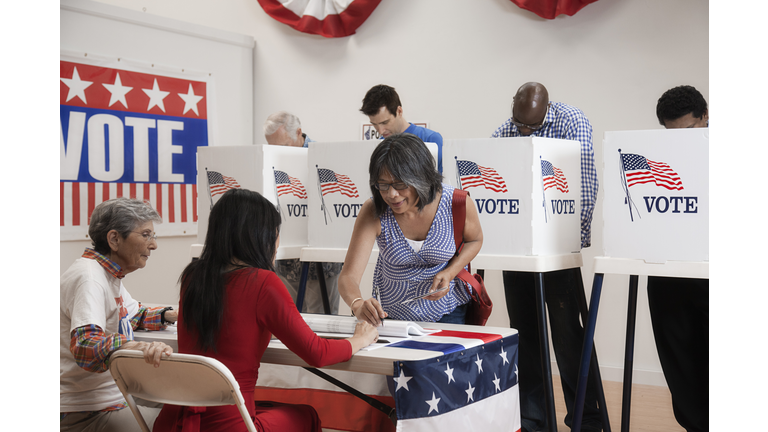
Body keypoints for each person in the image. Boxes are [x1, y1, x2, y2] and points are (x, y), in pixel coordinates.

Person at [153, 188, 378, 432]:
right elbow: (317, 353)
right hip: (230, 424)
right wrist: (359, 339)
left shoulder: (193, 276)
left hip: (176, 421)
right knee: (306, 415)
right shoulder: (262, 282)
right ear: (260, 236)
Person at [491, 82, 602, 432]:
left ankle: (586, 419)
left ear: (547, 110)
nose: (523, 131)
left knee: (569, 337)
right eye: (519, 124)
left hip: (557, 248)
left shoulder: (572, 122)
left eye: (531, 127)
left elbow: (585, 183)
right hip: (518, 252)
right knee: (526, 335)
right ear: (513, 107)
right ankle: (534, 420)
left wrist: (571, 243)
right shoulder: (502, 132)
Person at [338, 133, 482, 326]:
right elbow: (348, 276)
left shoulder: (456, 203)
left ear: (421, 177)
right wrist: (357, 304)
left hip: (449, 312)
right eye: (383, 185)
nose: (392, 195)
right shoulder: (374, 210)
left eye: (400, 184)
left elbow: (475, 240)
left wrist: (450, 272)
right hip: (392, 317)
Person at [60, 197, 176, 431]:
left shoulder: (108, 275)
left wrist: (172, 315)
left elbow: (133, 316)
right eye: (146, 235)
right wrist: (137, 346)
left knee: (183, 403)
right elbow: (85, 346)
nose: (153, 245)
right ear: (114, 239)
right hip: (86, 410)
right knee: (184, 422)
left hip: (109, 395)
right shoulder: (90, 278)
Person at [650, 85, 709, 432]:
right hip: (669, 269)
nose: (682, 141)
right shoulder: (657, 156)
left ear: (706, 117)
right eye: (673, 134)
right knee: (678, 360)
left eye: (689, 131)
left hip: (714, 270)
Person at [263, 110, 343, 314]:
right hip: (286, 260)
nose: (279, 152)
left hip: (320, 261)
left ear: (299, 133)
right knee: (288, 317)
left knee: (321, 322)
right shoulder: (271, 159)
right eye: (273, 148)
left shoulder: (325, 157)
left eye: (284, 146)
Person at [360, 84, 445, 173]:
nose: (381, 131)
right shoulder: (380, 146)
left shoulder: (431, 139)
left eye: (385, 122)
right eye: (374, 124)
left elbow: (441, 183)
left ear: (399, 111)